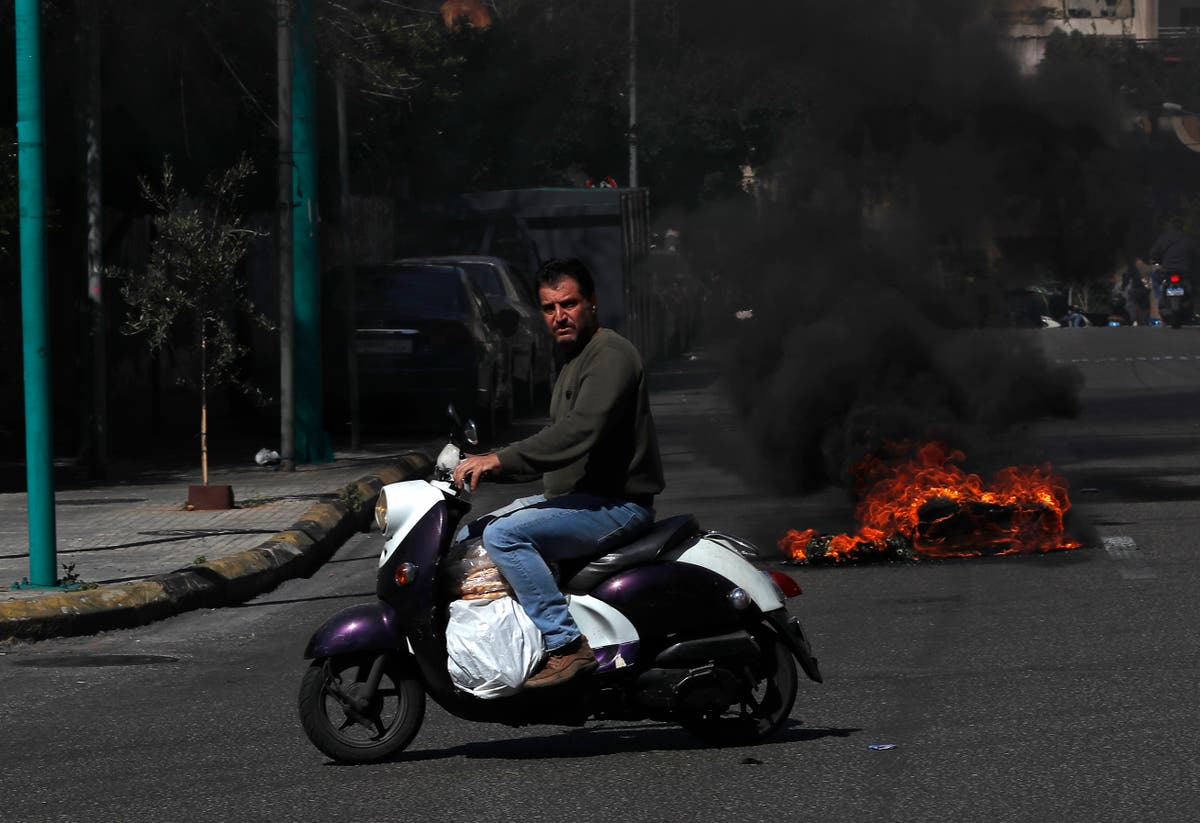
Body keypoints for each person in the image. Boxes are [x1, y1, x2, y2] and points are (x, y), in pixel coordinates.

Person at [452, 258, 665, 689]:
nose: (558, 317)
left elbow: (579, 432)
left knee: (505, 536)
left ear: (592, 304)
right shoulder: (574, 359)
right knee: (473, 533)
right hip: (577, 500)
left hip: (615, 504)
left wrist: (501, 459)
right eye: (549, 308)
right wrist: (493, 465)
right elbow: (556, 446)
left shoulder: (611, 356)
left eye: (568, 304)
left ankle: (566, 645)